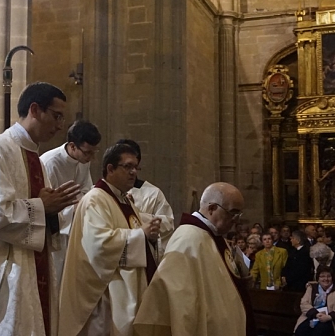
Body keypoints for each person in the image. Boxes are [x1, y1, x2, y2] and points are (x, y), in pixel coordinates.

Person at [0, 82, 80, 335]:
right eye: (56, 116)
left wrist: (52, 211)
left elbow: (43, 215)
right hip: (5, 268)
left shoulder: (35, 158)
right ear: (35, 110)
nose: (60, 125)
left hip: (32, 266)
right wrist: (42, 206)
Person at [58, 144, 160, 336]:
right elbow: (98, 245)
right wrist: (141, 235)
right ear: (110, 168)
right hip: (104, 295)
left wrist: (150, 237)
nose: (133, 173)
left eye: (136, 168)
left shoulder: (124, 200)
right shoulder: (95, 199)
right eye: (128, 167)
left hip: (125, 289)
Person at [134, 182, 256, 336]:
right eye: (233, 213)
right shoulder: (188, 239)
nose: (236, 220)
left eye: (239, 215)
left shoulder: (215, 237)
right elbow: (177, 299)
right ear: (212, 208)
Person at [40, 119, 101, 283]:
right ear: (73, 146)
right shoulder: (50, 163)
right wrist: (73, 207)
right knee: (58, 277)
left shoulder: (82, 162)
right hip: (55, 231)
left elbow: (85, 189)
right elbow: (44, 204)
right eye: (88, 152)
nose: (91, 158)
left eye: (94, 152)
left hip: (75, 226)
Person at [116, 139, 174, 261]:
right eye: (126, 166)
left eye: (133, 166)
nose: (130, 171)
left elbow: (167, 225)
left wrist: (135, 214)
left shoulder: (153, 193)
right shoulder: (100, 192)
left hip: (143, 257)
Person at [294, 265, 335, 336]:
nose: (326, 279)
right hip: (311, 316)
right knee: (301, 330)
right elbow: (304, 303)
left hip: (329, 320)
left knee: (321, 330)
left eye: (329, 276)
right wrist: (316, 314)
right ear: (318, 278)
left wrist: (329, 317)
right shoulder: (312, 288)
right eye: (322, 276)